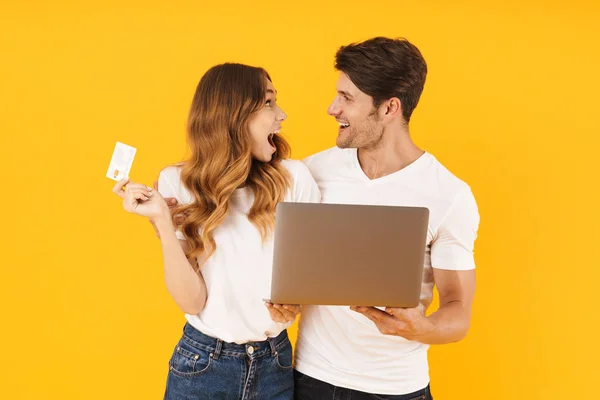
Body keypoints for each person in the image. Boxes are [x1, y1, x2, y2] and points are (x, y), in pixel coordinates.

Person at [111, 63, 320, 400]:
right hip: (202, 364)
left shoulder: (295, 180)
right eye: (268, 103)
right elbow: (192, 302)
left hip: (273, 364)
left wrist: (296, 301)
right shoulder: (176, 182)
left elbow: (310, 275)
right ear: (233, 115)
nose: (281, 115)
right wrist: (164, 223)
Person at [293, 37, 480, 399]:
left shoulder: (449, 195)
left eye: (347, 98)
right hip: (308, 379)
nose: (333, 108)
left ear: (390, 107)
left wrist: (419, 327)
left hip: (395, 388)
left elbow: (458, 311)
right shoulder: (311, 172)